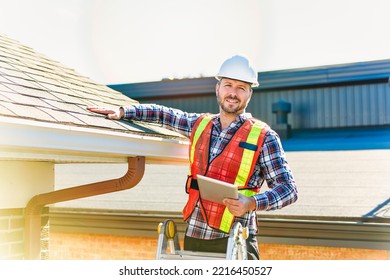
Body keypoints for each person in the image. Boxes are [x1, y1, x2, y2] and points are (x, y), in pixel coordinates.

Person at [87, 55, 298, 260]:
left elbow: (289, 190)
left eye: (241, 87)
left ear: (249, 94)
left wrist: (251, 202)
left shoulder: (264, 136)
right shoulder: (200, 124)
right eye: (228, 85)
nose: (233, 93)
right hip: (194, 236)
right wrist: (124, 111)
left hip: (236, 242)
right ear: (217, 89)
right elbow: (162, 114)